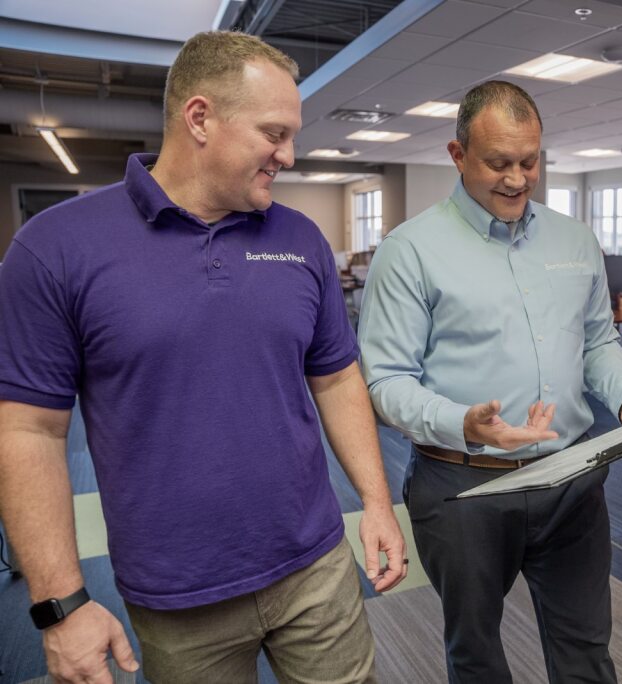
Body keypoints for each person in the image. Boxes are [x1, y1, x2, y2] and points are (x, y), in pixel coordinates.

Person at [0, 31, 406, 683]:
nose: (289, 155)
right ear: (199, 118)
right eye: (274, 133)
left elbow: (335, 378)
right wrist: (62, 605)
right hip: (177, 594)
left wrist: (377, 502)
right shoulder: (55, 248)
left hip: (316, 563)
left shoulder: (300, 238)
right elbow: (29, 431)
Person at [357, 80, 622, 683]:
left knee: (587, 649)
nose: (517, 179)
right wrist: (462, 423)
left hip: (572, 479)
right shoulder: (410, 250)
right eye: (498, 163)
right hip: (465, 485)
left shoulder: (575, 239)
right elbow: (386, 382)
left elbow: (598, 341)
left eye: (529, 162)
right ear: (458, 155)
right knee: (477, 656)